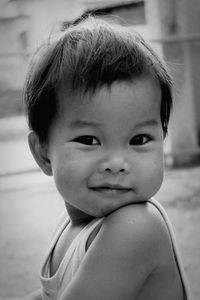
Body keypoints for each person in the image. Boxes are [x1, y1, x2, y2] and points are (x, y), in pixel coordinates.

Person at [5, 15, 192, 300]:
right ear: (43, 152)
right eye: (89, 140)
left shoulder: (136, 227)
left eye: (138, 139)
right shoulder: (73, 226)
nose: (116, 163)